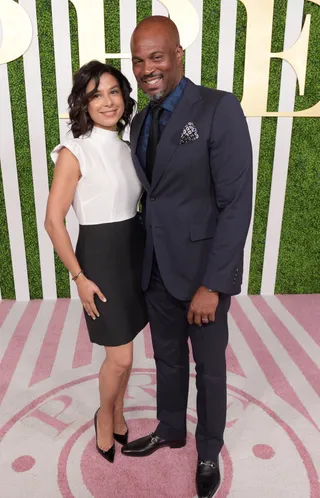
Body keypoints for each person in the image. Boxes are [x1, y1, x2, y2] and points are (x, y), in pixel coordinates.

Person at [121, 16, 253, 498]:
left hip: (202, 274)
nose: (146, 68)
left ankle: (208, 450)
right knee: (168, 358)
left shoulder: (219, 108)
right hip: (156, 266)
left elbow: (236, 203)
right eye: (138, 59)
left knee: (209, 366)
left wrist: (213, 283)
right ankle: (170, 428)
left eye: (156, 56)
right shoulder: (140, 119)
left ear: (179, 55)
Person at [45, 60, 148, 464]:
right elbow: (54, 221)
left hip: (134, 252)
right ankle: (104, 415)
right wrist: (79, 276)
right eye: (95, 95)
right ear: (83, 104)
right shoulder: (74, 151)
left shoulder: (128, 148)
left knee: (129, 347)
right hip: (100, 259)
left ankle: (120, 410)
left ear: (124, 96)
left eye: (113, 92)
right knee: (118, 355)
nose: (107, 102)